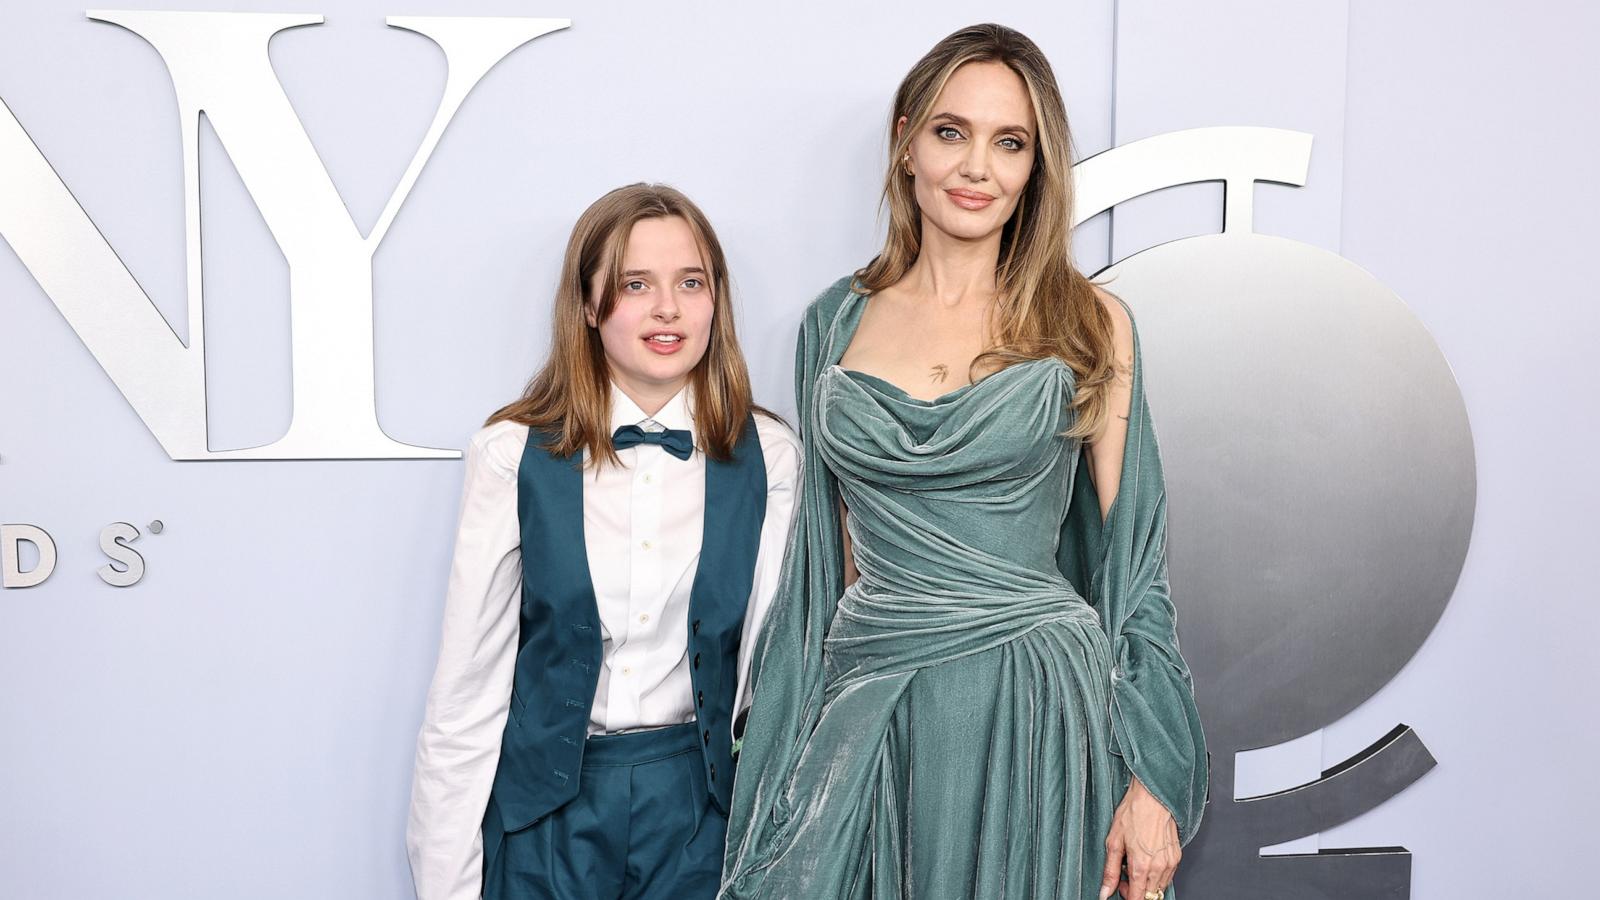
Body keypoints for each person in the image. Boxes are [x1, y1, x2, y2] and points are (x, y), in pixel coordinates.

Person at [720, 24, 1206, 900]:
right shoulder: (832, 324)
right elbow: (820, 571)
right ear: (907, 141)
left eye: (1008, 142)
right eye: (952, 132)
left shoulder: (1091, 324)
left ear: (1035, 168)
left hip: (1034, 711)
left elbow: (1137, 566)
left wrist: (1153, 778)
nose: (976, 167)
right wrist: (784, 767)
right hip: (876, 706)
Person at [406, 183, 801, 900]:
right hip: (545, 815)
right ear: (588, 306)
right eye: (634, 285)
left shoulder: (770, 456)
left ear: (717, 300)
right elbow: (467, 692)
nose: (668, 310)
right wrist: (445, 885)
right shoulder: (509, 454)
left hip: (701, 816)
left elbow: (772, 681)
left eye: (691, 282)